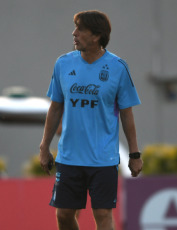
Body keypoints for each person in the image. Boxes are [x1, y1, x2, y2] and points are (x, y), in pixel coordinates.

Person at [39, 10, 143, 230]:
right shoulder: (63, 64)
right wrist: (44, 147)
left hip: (103, 159)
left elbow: (127, 114)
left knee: (103, 215)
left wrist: (134, 154)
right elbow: (55, 107)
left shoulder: (118, 67)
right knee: (64, 215)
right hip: (69, 157)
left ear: (96, 36)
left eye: (80, 29)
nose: (74, 33)